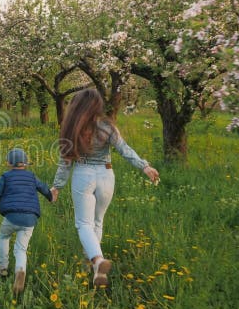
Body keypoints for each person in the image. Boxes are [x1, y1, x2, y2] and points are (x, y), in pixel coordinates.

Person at [51, 89, 159, 288]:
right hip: (106, 175)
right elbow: (125, 150)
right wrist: (144, 166)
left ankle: (98, 261)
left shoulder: (72, 128)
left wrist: (57, 187)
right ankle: (92, 267)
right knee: (97, 222)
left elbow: (65, 163)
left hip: (83, 174)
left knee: (83, 224)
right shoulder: (108, 127)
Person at [0, 148, 55, 294]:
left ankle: (3, 268)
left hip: (11, 217)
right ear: (25, 164)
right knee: (20, 249)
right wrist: (50, 196)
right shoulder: (31, 176)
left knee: (3, 236)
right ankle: (20, 270)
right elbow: (43, 188)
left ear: (9, 164)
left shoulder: (6, 176)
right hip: (30, 218)